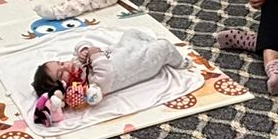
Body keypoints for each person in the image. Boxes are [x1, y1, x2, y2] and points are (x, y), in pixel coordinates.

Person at [32, 30, 188, 122]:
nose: (65, 65)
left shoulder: (76, 65)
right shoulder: (89, 87)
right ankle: (180, 62)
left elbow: (79, 47)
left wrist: (83, 50)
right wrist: (94, 55)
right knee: (163, 46)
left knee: (131, 33)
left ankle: (148, 43)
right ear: (62, 87)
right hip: (140, 63)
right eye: (61, 73)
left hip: (122, 50)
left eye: (60, 63)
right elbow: (106, 75)